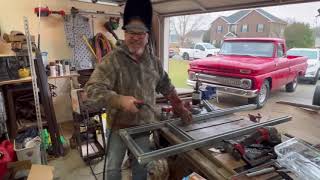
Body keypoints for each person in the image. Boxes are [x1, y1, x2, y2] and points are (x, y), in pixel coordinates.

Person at [85, 1, 192, 179]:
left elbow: (167, 87)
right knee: (112, 168)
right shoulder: (113, 60)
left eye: (140, 33)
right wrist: (119, 100)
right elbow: (91, 90)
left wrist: (179, 108)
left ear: (147, 35)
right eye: (131, 32)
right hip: (118, 127)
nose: (135, 37)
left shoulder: (153, 62)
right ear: (124, 33)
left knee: (140, 166)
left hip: (142, 127)